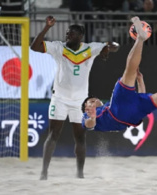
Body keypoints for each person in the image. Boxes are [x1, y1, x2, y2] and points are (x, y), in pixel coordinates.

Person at [30, 15, 119, 180]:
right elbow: (34, 47)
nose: (67, 36)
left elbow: (115, 46)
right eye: (67, 34)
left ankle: (80, 173)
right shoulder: (59, 47)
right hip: (60, 99)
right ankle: (44, 172)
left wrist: (107, 49)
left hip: (80, 101)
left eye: (71, 34)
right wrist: (47, 28)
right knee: (53, 135)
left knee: (80, 137)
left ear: (80, 36)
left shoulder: (90, 48)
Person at [81, 16, 157, 145]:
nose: (93, 102)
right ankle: (140, 39)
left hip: (133, 114)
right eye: (89, 102)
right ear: (85, 108)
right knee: (129, 71)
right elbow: (88, 125)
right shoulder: (87, 115)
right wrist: (92, 117)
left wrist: (140, 81)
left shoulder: (105, 106)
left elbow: (141, 97)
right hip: (117, 112)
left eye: (93, 100)